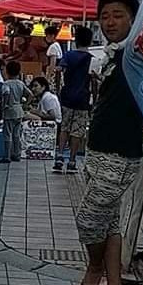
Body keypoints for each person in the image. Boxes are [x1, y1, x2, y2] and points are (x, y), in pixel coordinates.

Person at [74, 0, 143, 285]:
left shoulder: (136, 53)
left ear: (134, 20)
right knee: (109, 221)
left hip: (120, 151)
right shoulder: (114, 54)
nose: (110, 22)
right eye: (104, 16)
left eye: (118, 15)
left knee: (88, 219)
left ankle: (94, 269)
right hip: (99, 147)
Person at [53, 26, 95, 174]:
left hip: (67, 96)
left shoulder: (68, 55)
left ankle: (59, 156)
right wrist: (94, 98)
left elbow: (58, 70)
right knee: (77, 131)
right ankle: (72, 161)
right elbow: (94, 80)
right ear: (90, 41)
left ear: (76, 40)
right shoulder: (91, 59)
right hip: (83, 99)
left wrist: (58, 87)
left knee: (64, 127)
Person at [1, 60, 30, 163]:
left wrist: (4, 106)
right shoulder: (20, 83)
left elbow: (6, 94)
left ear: (7, 72)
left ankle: (7, 156)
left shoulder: (6, 84)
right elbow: (30, 94)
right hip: (19, 110)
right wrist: (25, 104)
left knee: (7, 134)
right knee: (17, 134)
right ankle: (17, 154)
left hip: (9, 111)